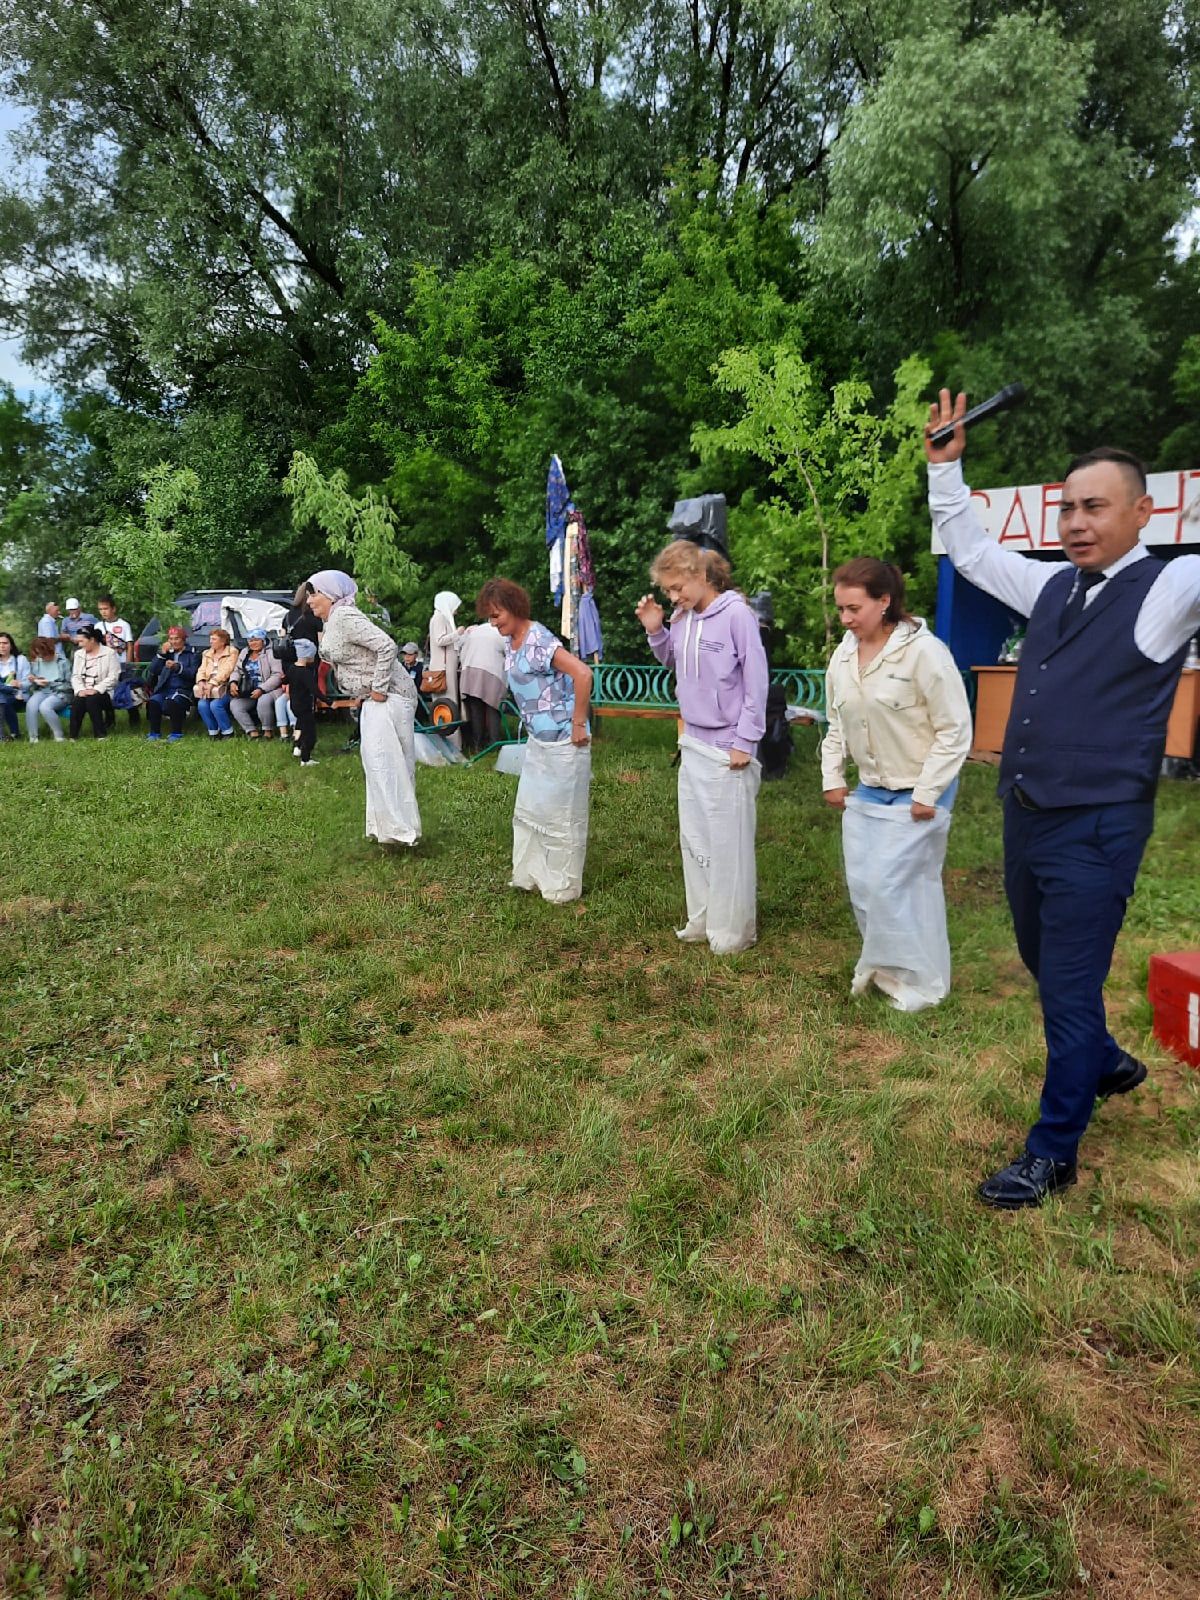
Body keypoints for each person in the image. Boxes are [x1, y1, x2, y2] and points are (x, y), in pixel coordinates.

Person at [926, 389, 1200, 1208]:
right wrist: (948, 470)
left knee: (1070, 989)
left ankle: (1054, 1152)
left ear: (1143, 512)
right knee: (1043, 961)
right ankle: (1107, 1061)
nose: (1078, 522)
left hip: (1099, 825)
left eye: (1096, 507)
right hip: (1027, 812)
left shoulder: (1168, 587)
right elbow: (972, 554)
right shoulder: (1049, 587)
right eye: (1068, 507)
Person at [820, 558, 973, 1010]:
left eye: (854, 609)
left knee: (900, 887)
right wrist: (833, 777)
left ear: (884, 602)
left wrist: (927, 794)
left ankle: (924, 984)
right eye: (841, 609)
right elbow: (835, 722)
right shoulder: (843, 655)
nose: (846, 620)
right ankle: (889, 973)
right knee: (866, 887)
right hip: (870, 788)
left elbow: (954, 729)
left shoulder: (925, 653)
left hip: (920, 789)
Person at [635, 543, 768, 954]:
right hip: (692, 740)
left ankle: (732, 930)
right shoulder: (682, 616)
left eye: (677, 587)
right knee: (695, 836)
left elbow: (756, 679)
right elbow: (676, 661)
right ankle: (704, 917)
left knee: (728, 840)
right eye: (668, 591)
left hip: (728, 745)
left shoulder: (737, 615)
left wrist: (745, 739)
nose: (673, 596)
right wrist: (656, 629)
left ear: (701, 575)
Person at [477, 578, 593, 903]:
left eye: (497, 615)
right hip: (538, 742)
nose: (493, 622)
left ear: (514, 609)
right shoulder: (510, 641)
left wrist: (578, 723)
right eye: (489, 616)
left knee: (561, 814)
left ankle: (562, 884)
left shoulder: (539, 639)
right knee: (534, 810)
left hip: (564, 740)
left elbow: (583, 674)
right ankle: (532, 873)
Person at [307, 570, 422, 843]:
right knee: (377, 762)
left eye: (315, 594)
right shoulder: (334, 619)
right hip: (372, 699)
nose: (309, 600)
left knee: (388, 763)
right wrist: (361, 690)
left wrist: (379, 688)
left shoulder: (346, 617)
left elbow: (386, 646)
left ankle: (402, 831)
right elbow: (356, 659)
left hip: (391, 696)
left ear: (332, 594)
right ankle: (386, 829)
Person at [280, 581, 321, 757]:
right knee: (307, 706)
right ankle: (301, 744)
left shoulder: (288, 616)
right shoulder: (313, 617)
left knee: (296, 702)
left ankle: (297, 744)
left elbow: (282, 640)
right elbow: (322, 642)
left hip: (289, 664)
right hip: (308, 664)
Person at [455, 619, 507, 753]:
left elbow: (462, 652)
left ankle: (477, 744)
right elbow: (510, 653)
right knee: (493, 708)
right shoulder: (500, 632)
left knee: (475, 710)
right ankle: (494, 744)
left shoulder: (475, 631)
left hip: (469, 671)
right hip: (491, 672)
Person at [144, 626, 199, 740]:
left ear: (183, 640)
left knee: (172, 701)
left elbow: (193, 674)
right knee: (154, 701)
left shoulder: (192, 654)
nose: (173, 642)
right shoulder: (167, 653)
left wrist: (177, 667)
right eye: (171, 639)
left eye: (176, 639)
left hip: (183, 689)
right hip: (165, 688)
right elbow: (154, 670)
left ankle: (176, 733)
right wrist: (162, 654)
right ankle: (154, 733)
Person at [229, 630, 285, 738]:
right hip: (248, 689)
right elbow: (237, 670)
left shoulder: (271, 652)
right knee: (235, 705)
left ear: (263, 640)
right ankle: (251, 731)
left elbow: (277, 674)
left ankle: (268, 730)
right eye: (250, 640)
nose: (253, 643)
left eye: (256, 640)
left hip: (269, 689)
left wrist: (261, 689)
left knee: (263, 701)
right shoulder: (245, 652)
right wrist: (233, 682)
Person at [68, 625, 120, 739]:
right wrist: (80, 690)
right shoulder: (79, 654)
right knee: (78, 701)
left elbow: (113, 677)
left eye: (82, 641)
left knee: (93, 699)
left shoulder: (109, 653)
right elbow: (75, 676)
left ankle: (100, 735)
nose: (79, 644)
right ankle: (73, 736)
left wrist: (96, 689)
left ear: (92, 640)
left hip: (104, 692)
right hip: (84, 690)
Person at [427, 590, 463, 750]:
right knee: (447, 706)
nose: (456, 610)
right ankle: (450, 745)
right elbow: (439, 640)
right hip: (443, 669)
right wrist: (458, 634)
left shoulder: (444, 618)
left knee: (450, 705)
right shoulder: (439, 618)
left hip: (447, 668)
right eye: (455, 606)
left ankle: (453, 745)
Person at [23, 637, 71, 742]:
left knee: (45, 707)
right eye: (39, 654)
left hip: (60, 693)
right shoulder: (37, 662)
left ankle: (59, 736)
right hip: (42, 691)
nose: (42, 657)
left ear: (50, 650)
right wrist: (34, 680)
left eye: (43, 654)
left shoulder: (63, 662)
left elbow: (69, 685)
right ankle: (33, 738)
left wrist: (50, 683)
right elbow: (34, 684)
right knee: (31, 705)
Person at [194, 628, 239, 738]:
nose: (211, 642)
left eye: (214, 639)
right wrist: (201, 681)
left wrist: (213, 682)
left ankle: (227, 731)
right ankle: (213, 731)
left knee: (215, 705)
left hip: (225, 686)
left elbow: (227, 670)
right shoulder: (207, 653)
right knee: (202, 704)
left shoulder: (232, 651)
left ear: (223, 641)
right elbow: (202, 669)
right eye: (210, 639)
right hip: (208, 686)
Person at [0, 633, 31, 740]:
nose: (2, 646)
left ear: (11, 645)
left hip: (19, 695)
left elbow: (29, 682)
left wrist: (20, 684)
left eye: (5, 643)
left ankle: (14, 733)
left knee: (4, 702)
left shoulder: (20, 660)